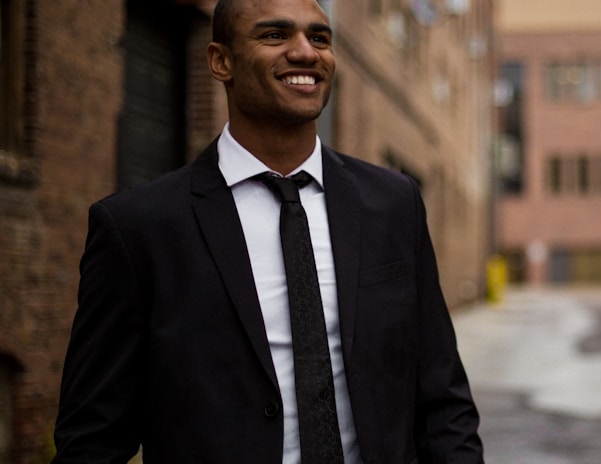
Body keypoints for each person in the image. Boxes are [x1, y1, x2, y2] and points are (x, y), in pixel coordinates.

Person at [52, 0, 484, 462]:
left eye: (319, 37)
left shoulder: (393, 204)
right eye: (275, 35)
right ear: (221, 61)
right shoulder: (139, 228)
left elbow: (443, 398)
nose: (305, 53)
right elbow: (93, 437)